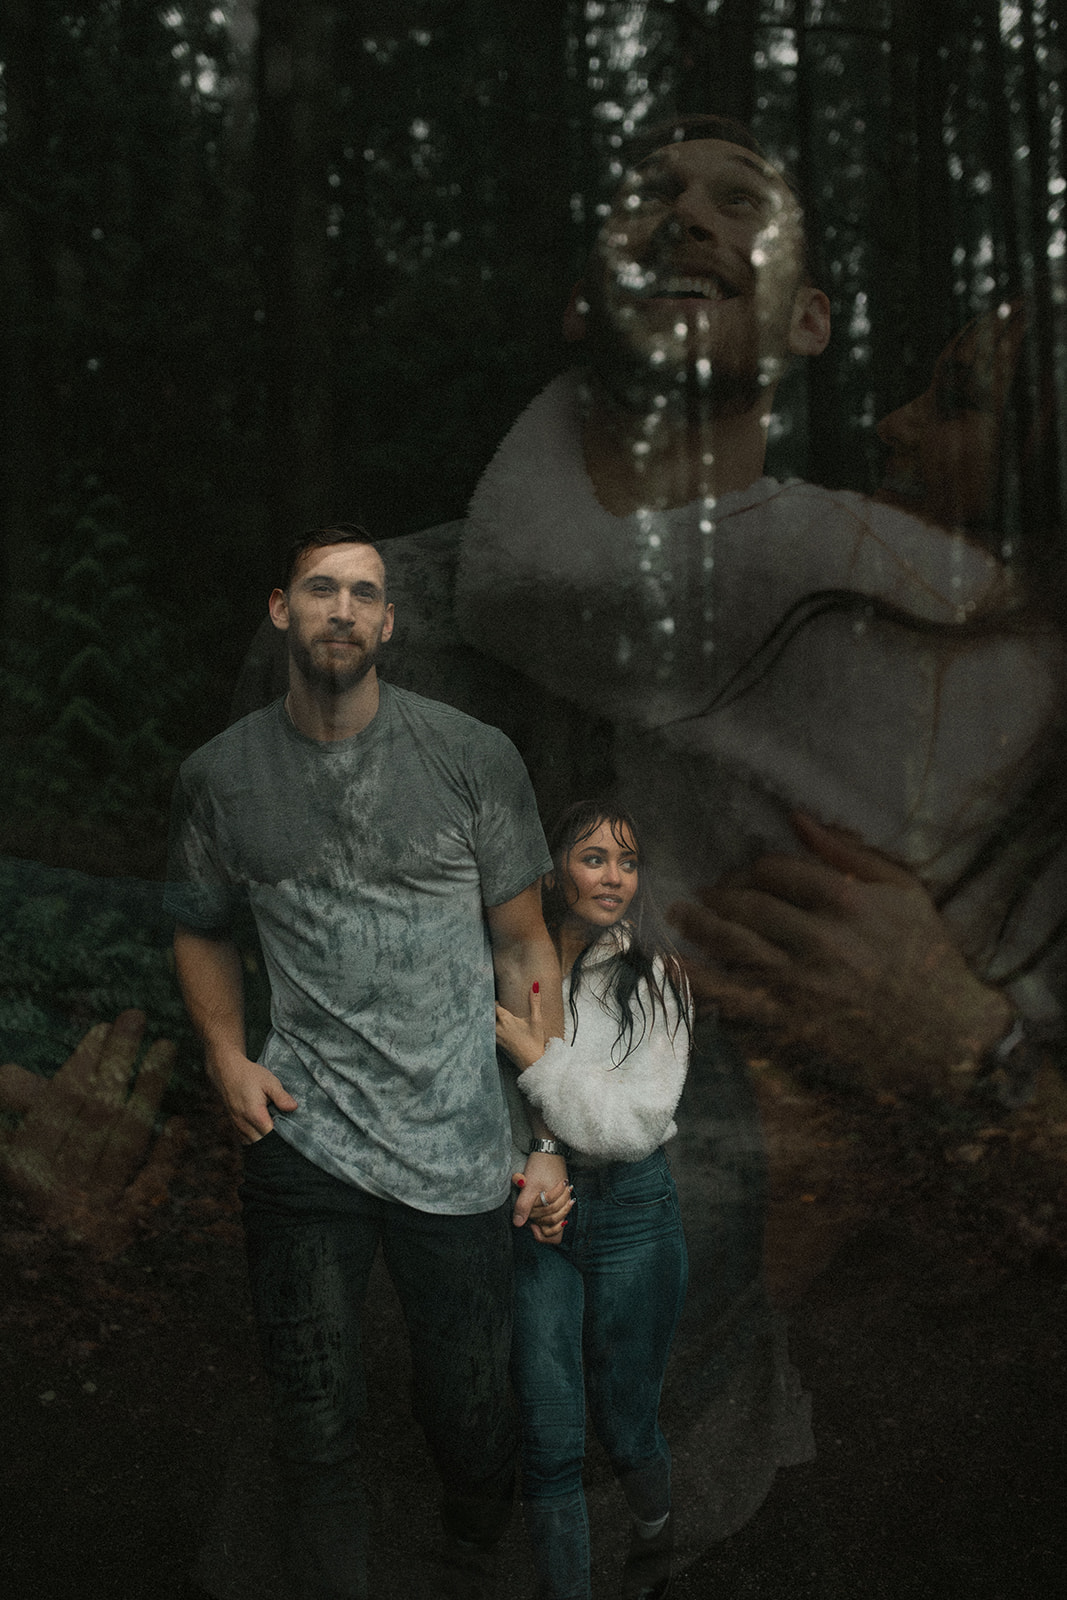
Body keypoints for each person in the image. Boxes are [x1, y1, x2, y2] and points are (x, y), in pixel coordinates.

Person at [165, 525, 567, 1600]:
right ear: (280, 610)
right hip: (303, 1136)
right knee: (314, 1414)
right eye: (319, 588)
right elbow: (199, 924)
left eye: (362, 594)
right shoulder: (221, 776)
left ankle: (476, 1542)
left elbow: (526, 945)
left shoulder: (470, 754)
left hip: (456, 1139)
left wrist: (544, 1134)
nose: (340, 608)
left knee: (471, 1407)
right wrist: (224, 1057)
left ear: (389, 623)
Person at [496, 801, 691, 1600]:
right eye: (593, 857)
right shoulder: (509, 964)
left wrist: (538, 1059)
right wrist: (533, 1161)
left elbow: (631, 1124)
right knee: (548, 1435)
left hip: (630, 1218)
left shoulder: (656, 976)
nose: (612, 876)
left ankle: (655, 1538)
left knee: (623, 1425)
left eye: (627, 861)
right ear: (552, 869)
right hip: (536, 1219)